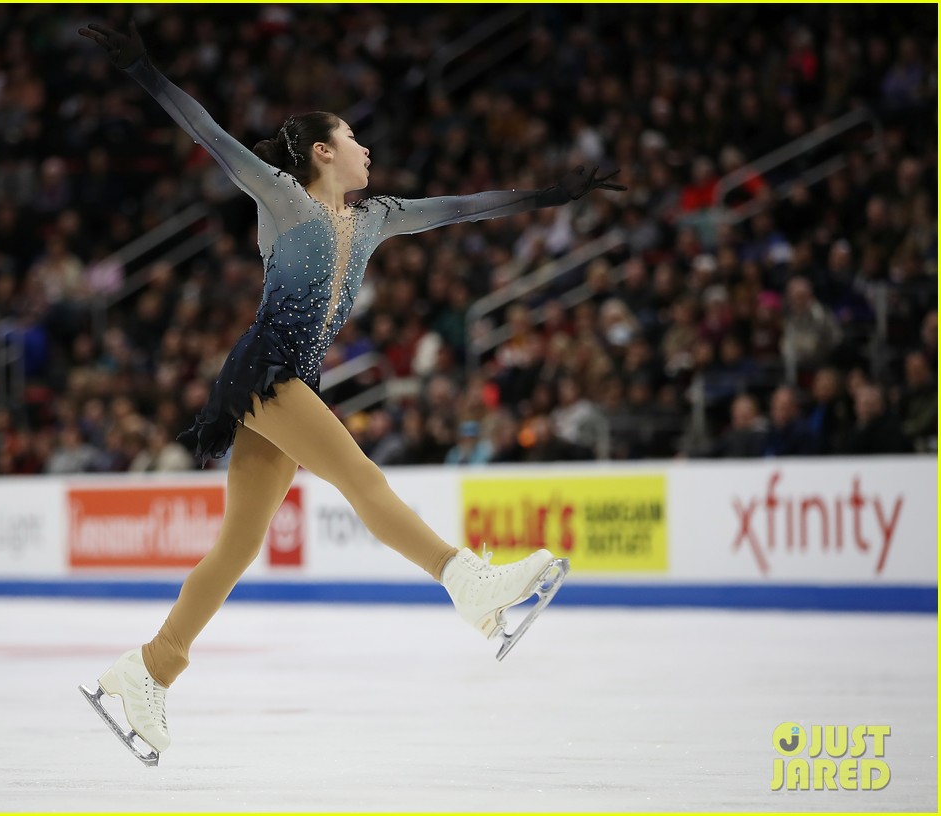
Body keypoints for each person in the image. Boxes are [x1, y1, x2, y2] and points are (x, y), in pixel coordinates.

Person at [77, 19, 623, 763]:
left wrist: (552, 195)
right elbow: (206, 132)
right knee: (361, 475)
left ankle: (148, 668)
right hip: (264, 370)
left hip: (293, 381)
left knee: (236, 550)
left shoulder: (376, 219)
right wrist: (144, 71)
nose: (367, 149)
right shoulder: (281, 197)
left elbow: (467, 206)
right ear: (324, 152)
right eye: (353, 137)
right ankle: (466, 581)